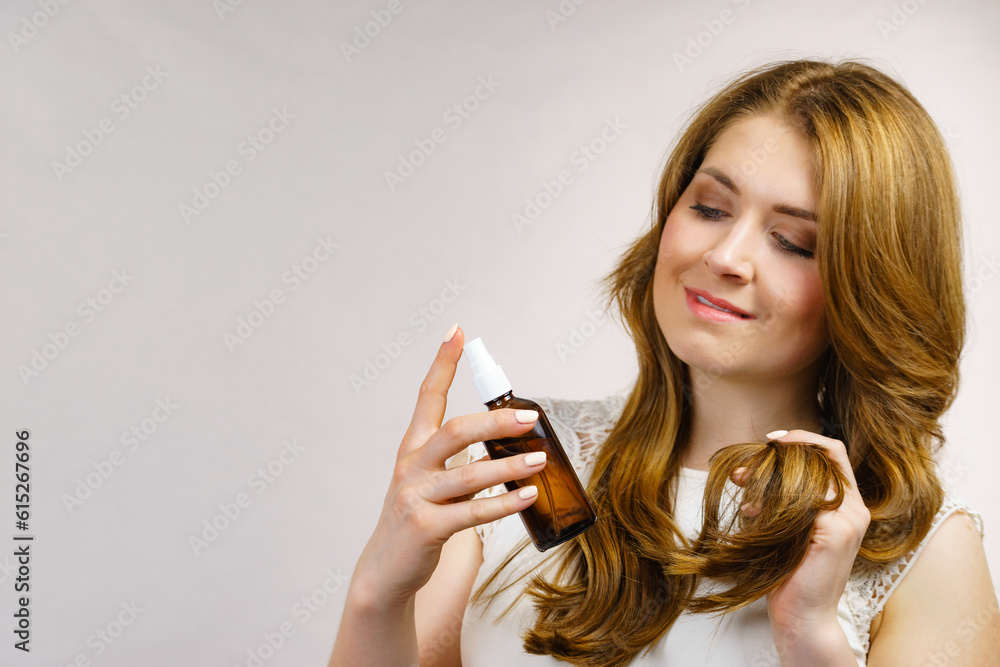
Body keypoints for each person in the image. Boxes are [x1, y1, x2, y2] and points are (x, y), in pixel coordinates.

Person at [329, 59, 1000, 665]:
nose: (726, 256)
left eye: (795, 243)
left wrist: (808, 636)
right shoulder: (521, 469)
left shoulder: (924, 551)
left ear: (871, 290)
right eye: (709, 207)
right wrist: (376, 591)